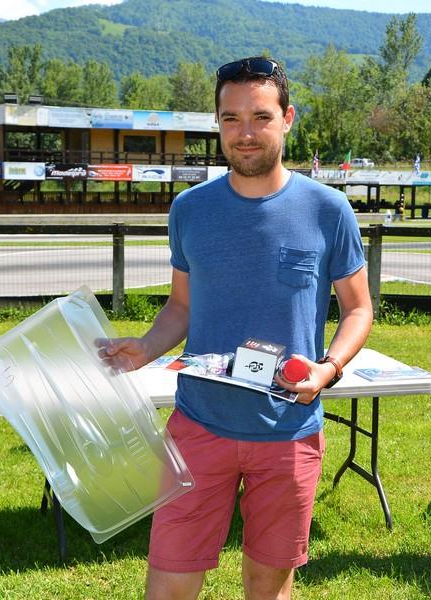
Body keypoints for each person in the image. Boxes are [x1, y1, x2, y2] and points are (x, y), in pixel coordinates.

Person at [98, 56, 373, 599]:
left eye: (261, 117)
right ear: (218, 122)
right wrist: (146, 347)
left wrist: (328, 368)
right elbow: (181, 307)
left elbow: (358, 308)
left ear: (288, 118)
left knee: (267, 586)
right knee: (169, 584)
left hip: (287, 429)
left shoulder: (328, 209)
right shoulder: (191, 210)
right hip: (199, 425)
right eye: (231, 119)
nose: (245, 134)